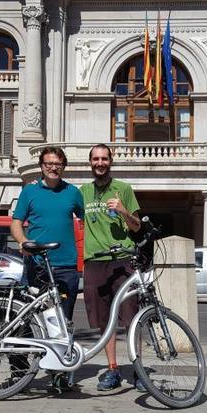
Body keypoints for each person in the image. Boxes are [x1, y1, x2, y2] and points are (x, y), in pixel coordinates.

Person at [10, 146, 84, 391]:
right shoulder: (29, 191)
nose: (54, 167)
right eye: (49, 163)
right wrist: (23, 242)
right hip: (36, 266)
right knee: (25, 320)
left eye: (58, 163)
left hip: (65, 266)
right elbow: (16, 223)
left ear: (63, 167)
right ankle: (18, 373)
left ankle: (59, 374)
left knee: (62, 323)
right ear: (42, 166)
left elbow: (88, 222)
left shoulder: (73, 193)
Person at [79, 143, 144, 392]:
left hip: (123, 260)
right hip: (95, 262)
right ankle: (113, 369)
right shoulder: (82, 192)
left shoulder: (123, 189)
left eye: (104, 159)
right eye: (96, 159)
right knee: (105, 322)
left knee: (132, 318)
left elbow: (137, 227)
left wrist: (123, 211)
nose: (100, 163)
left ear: (111, 161)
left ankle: (138, 369)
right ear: (90, 162)